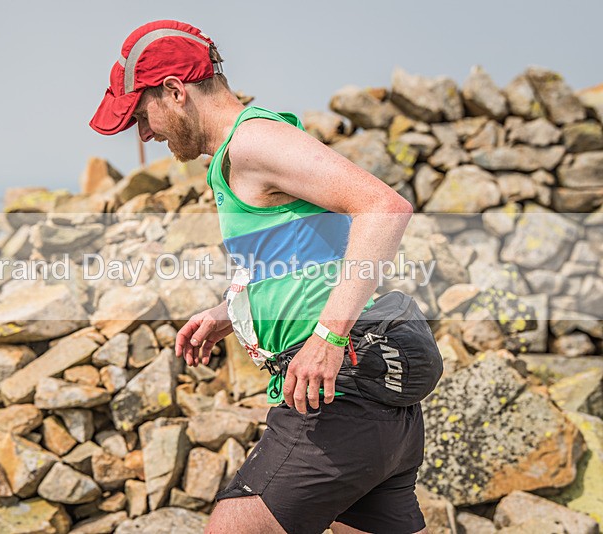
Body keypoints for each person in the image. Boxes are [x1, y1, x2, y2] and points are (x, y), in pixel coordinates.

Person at [90, 19, 427, 534]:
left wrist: (329, 335)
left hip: (336, 396)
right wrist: (234, 313)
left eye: (141, 113)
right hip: (371, 406)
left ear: (176, 91)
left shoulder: (253, 143)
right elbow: (310, 252)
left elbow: (384, 208)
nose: (143, 132)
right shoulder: (244, 150)